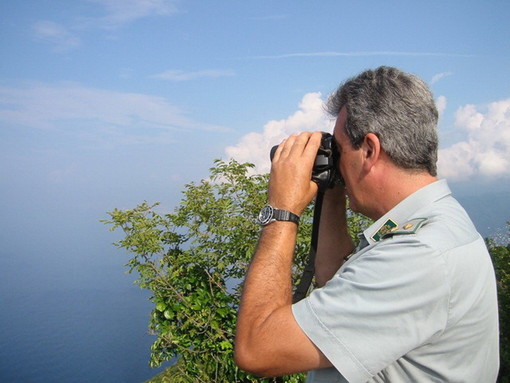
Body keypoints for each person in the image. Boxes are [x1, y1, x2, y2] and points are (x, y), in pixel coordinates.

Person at [234, 66, 499, 382]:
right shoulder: (434, 222)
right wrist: (333, 187)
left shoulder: (417, 255)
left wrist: (281, 211)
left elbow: (258, 348)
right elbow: (335, 281)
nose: (337, 160)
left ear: (370, 150)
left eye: (340, 151)